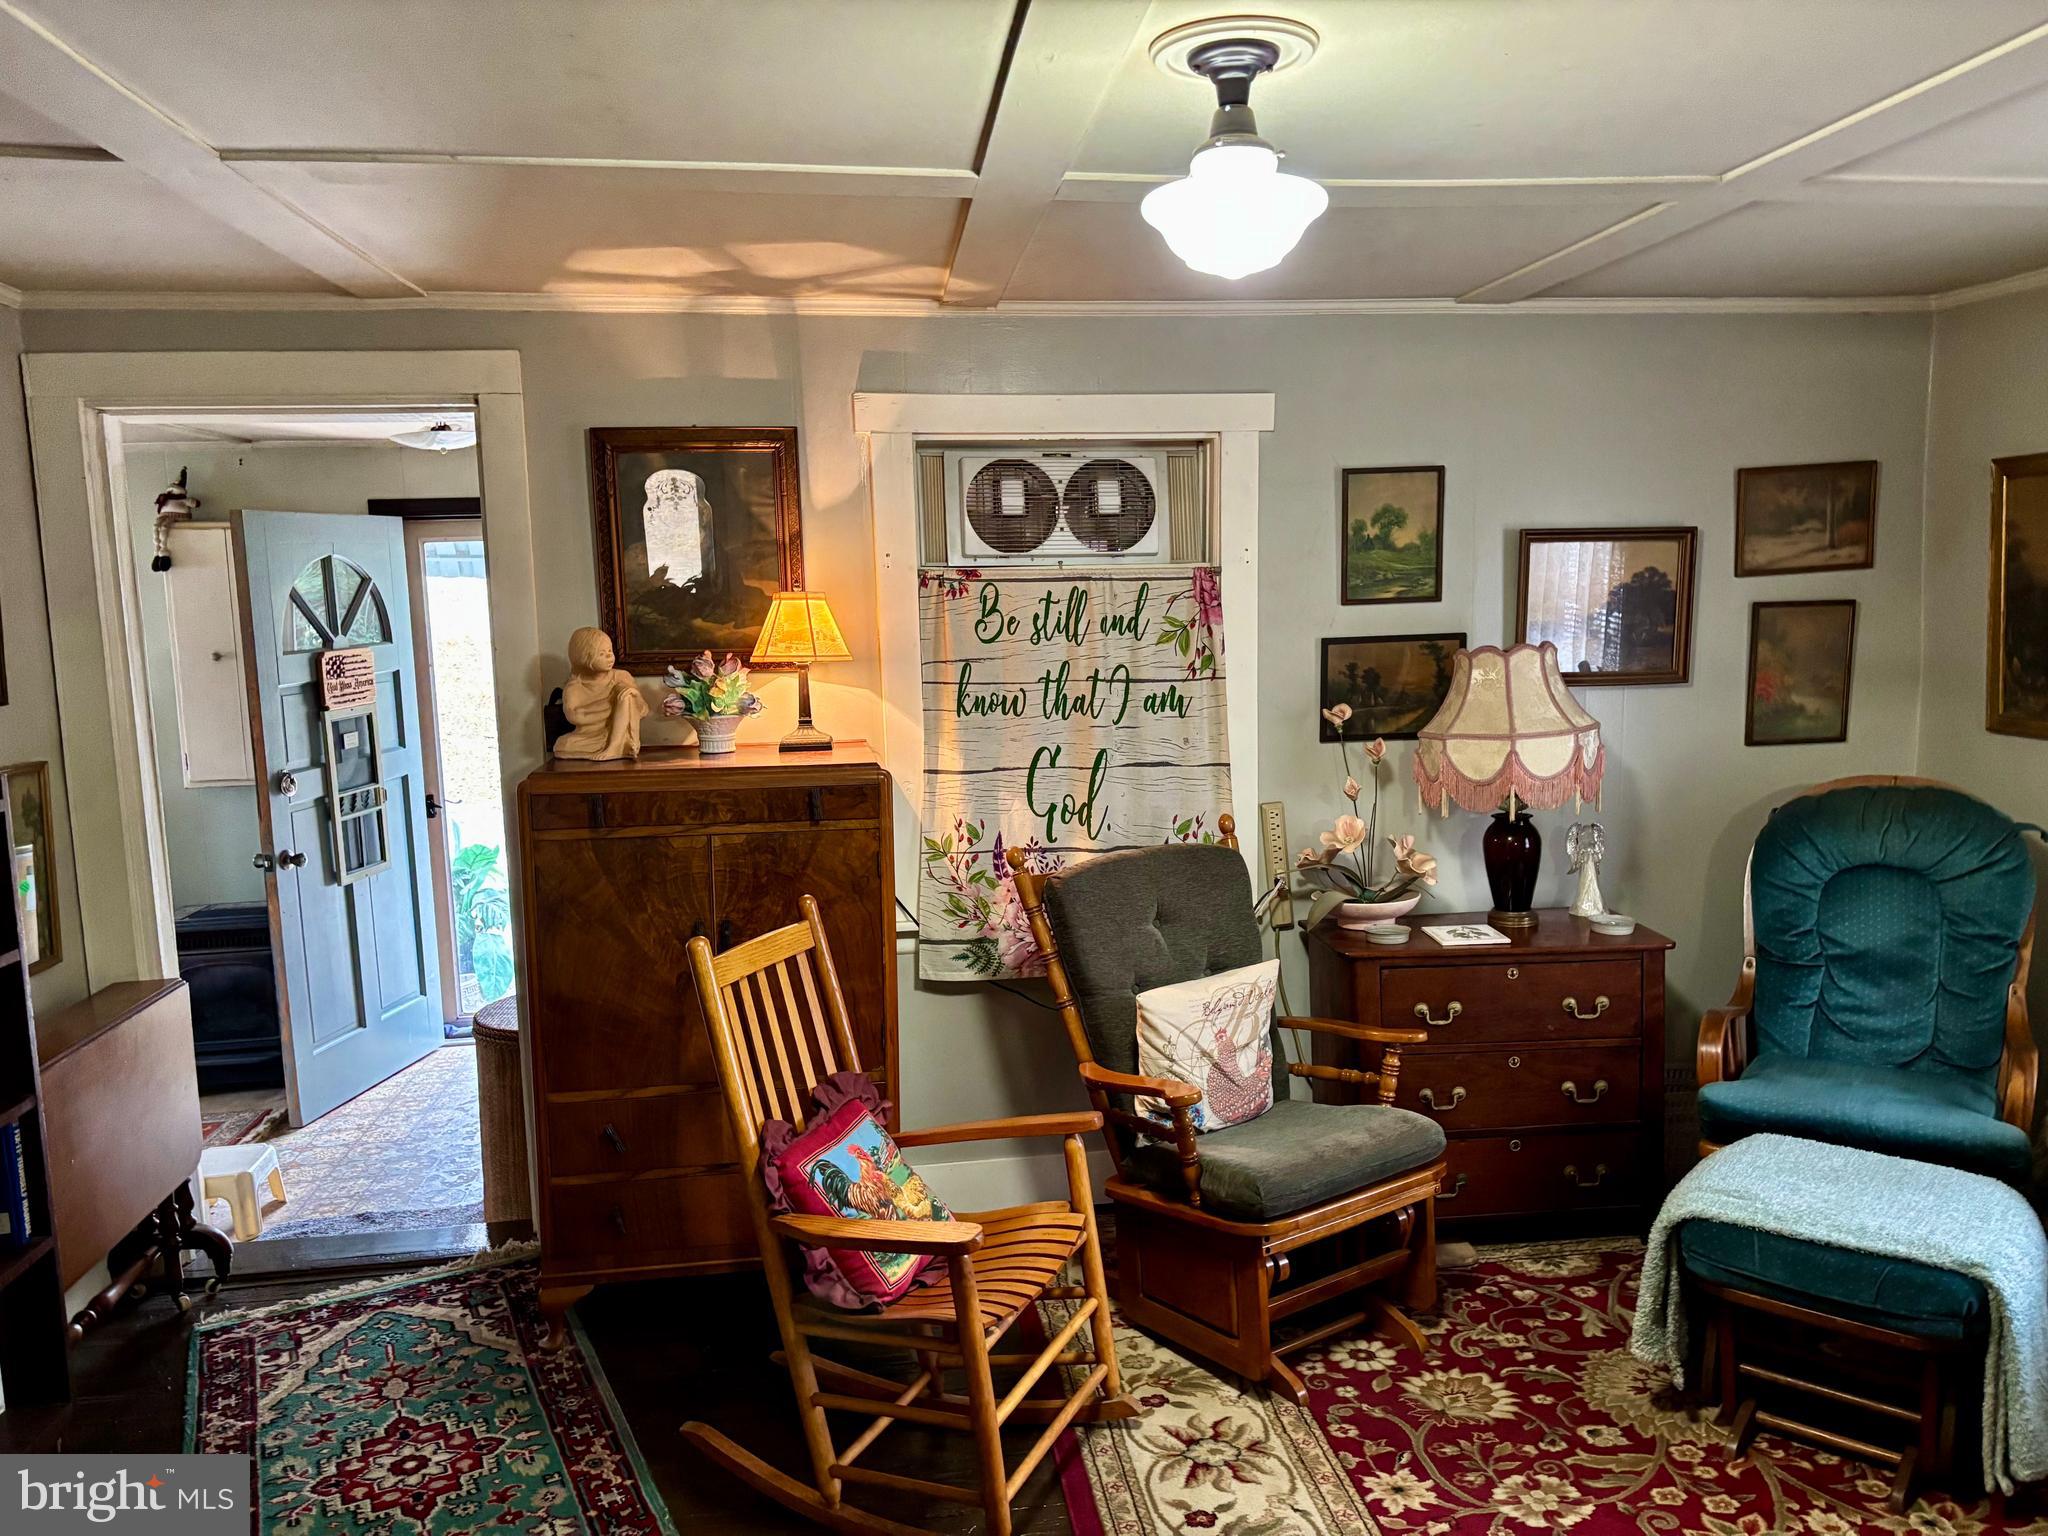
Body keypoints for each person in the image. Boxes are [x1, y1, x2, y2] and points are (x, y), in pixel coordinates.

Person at [553, 627, 648, 760]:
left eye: (610, 651)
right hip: (589, 737)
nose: (610, 656)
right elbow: (576, 717)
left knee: (627, 695)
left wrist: (635, 696)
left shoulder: (621, 677)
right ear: (584, 657)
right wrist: (613, 702)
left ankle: (615, 746)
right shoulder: (574, 687)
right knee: (563, 745)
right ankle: (611, 745)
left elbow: (643, 710)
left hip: (620, 734)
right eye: (602, 654)